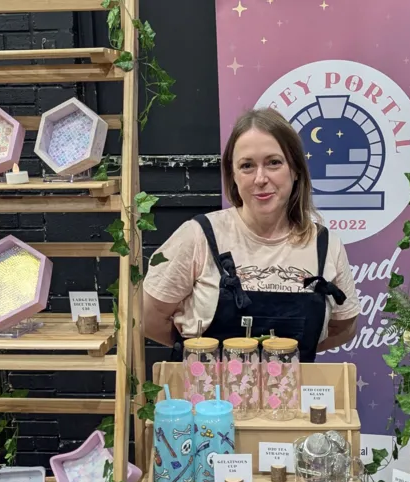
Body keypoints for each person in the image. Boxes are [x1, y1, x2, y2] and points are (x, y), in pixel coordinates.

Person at [143, 108, 360, 362]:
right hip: (205, 398)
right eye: (247, 166)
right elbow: (149, 318)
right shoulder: (198, 236)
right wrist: (200, 354)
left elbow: (344, 326)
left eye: (273, 163)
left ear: (296, 170)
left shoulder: (324, 245)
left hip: (291, 398)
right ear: (233, 175)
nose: (260, 178)